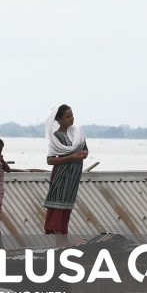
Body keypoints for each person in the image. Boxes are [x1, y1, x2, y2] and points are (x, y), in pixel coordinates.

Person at [43, 104, 88, 244]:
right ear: (59, 119)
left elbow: (85, 150)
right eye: (67, 116)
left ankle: (64, 241)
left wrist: (83, 155)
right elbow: (50, 160)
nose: (71, 119)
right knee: (58, 209)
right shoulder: (55, 137)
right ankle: (60, 243)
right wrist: (71, 158)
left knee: (66, 210)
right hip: (62, 177)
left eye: (72, 115)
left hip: (73, 178)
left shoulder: (77, 133)